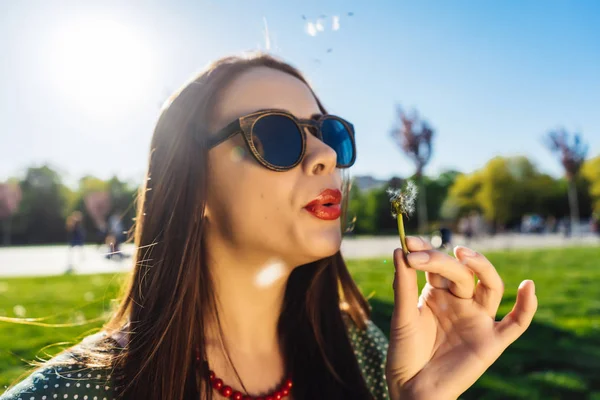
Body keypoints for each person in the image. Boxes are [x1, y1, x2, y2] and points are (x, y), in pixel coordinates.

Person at [1, 54, 537, 400]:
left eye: (330, 132)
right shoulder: (72, 392)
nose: (326, 153)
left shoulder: (366, 355)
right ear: (193, 191)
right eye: (277, 135)